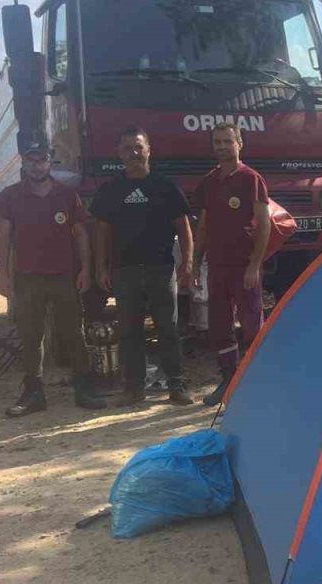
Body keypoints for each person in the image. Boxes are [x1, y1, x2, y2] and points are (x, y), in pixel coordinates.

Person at [0, 141, 106, 416]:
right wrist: (2, 275)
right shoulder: (11, 196)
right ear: (23, 163)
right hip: (27, 278)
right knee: (31, 335)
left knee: (73, 333)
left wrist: (85, 269)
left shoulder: (66, 195)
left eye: (41, 160)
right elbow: (3, 236)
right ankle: (33, 394)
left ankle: (84, 388)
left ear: (49, 162)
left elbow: (80, 234)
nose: (36, 166)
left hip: (64, 276)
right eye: (31, 160)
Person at [91, 127, 195, 406]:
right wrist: (101, 268)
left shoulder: (165, 186)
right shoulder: (110, 190)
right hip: (124, 271)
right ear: (119, 153)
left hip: (161, 269)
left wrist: (188, 262)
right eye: (127, 148)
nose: (134, 153)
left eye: (138, 147)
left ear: (149, 149)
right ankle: (133, 389)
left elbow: (183, 226)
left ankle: (177, 385)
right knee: (129, 332)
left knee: (168, 329)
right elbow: (101, 232)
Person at [193, 122, 272, 406]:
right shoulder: (209, 182)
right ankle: (228, 381)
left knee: (252, 325)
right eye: (217, 142)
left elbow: (264, 224)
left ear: (240, 143)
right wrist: (195, 263)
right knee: (220, 326)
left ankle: (259, 382)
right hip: (217, 267)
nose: (222, 146)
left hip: (243, 267)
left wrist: (254, 265)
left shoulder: (251, 179)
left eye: (228, 141)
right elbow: (203, 226)